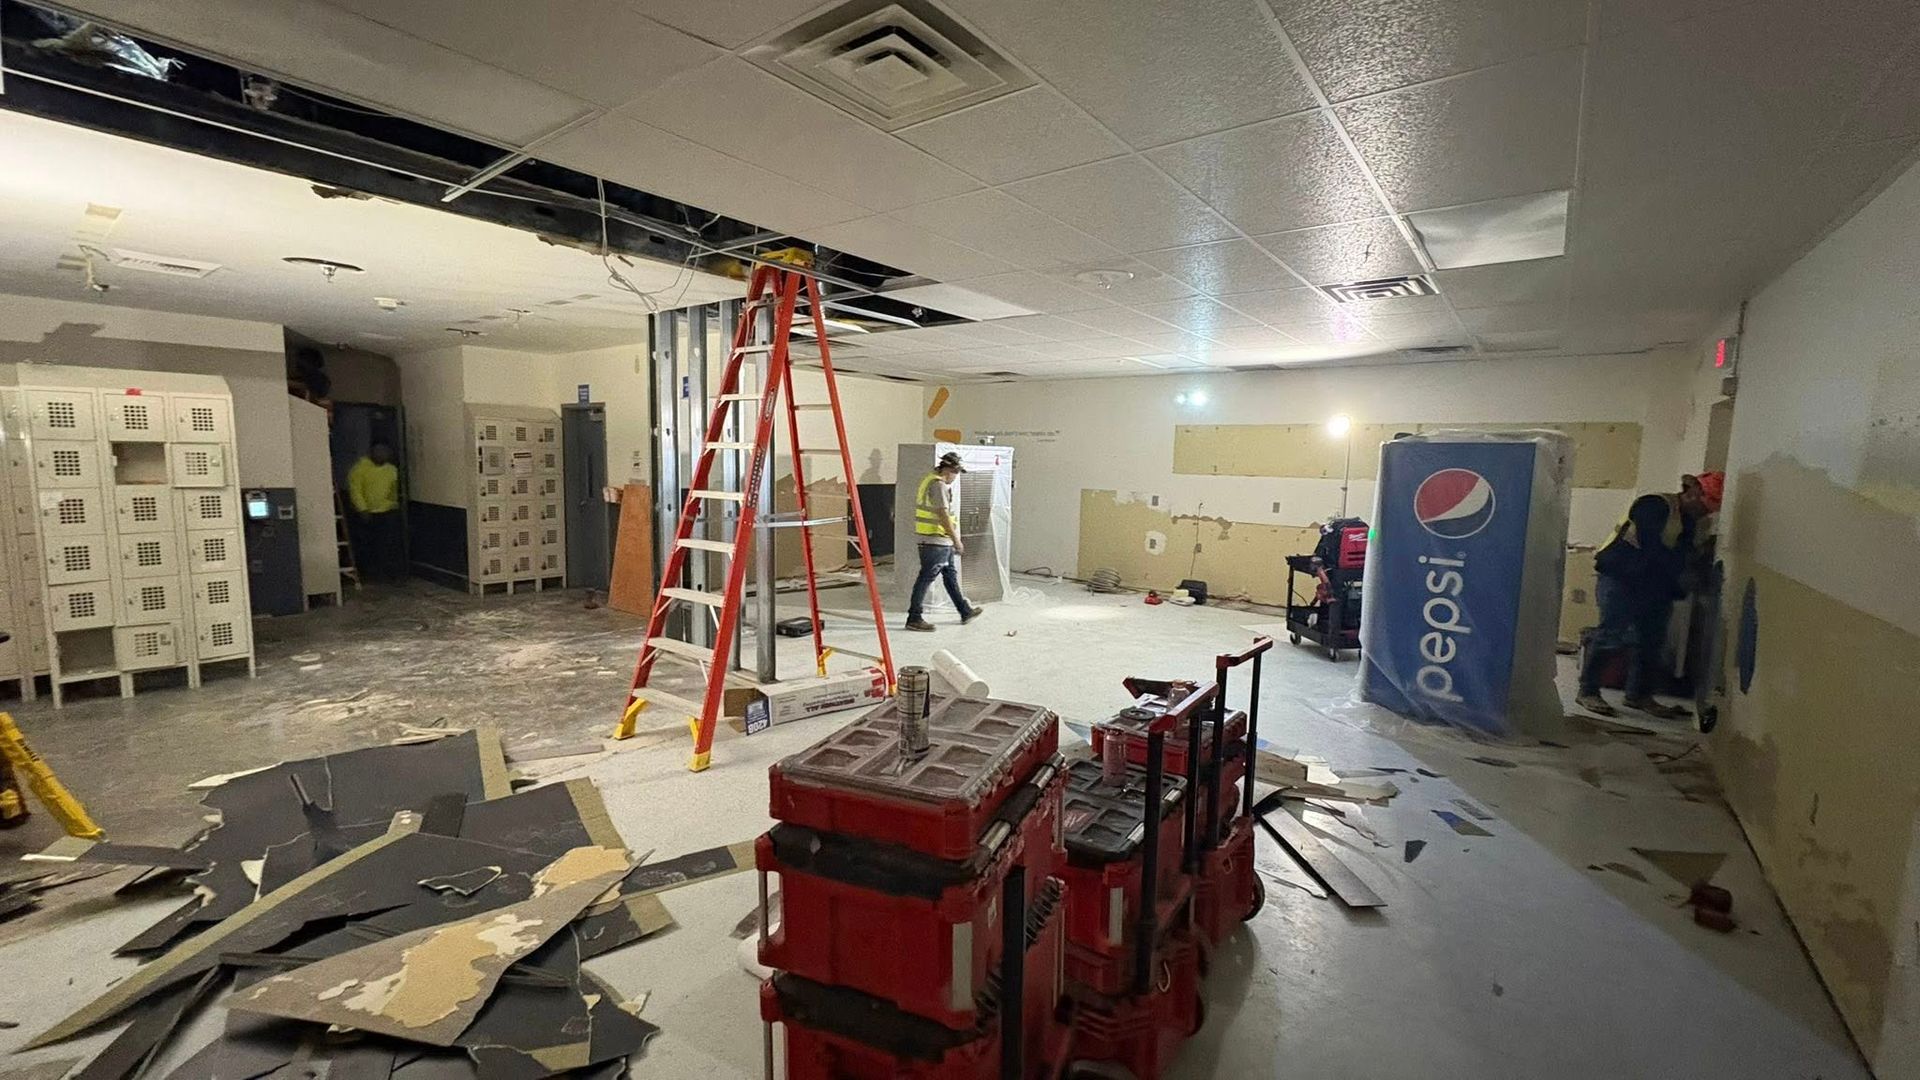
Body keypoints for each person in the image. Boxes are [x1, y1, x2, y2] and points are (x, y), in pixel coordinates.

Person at [1576, 472, 1724, 719]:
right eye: (1704, 506)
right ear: (1692, 492)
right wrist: (1683, 577)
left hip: (1652, 584)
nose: (1705, 513)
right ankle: (1588, 691)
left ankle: (1639, 696)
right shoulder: (1654, 505)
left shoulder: (1689, 520)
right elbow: (1655, 550)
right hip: (1621, 577)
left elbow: (1678, 556)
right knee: (1611, 634)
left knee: (1651, 641)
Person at [905, 451, 980, 632]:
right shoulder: (938, 485)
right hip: (934, 540)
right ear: (949, 470)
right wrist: (957, 540)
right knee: (926, 578)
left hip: (939, 541)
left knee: (950, 576)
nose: (956, 477)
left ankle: (964, 610)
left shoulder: (930, 481)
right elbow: (942, 514)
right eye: (956, 472)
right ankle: (914, 617)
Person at [346, 441, 403, 582]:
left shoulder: (392, 469)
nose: (383, 454)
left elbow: (394, 489)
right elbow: (356, 491)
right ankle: (369, 574)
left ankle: (389, 574)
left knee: (389, 544)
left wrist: (395, 505)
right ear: (372, 452)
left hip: (387, 510)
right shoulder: (360, 468)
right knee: (367, 545)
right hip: (367, 513)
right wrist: (362, 509)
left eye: (386, 451)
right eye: (380, 451)